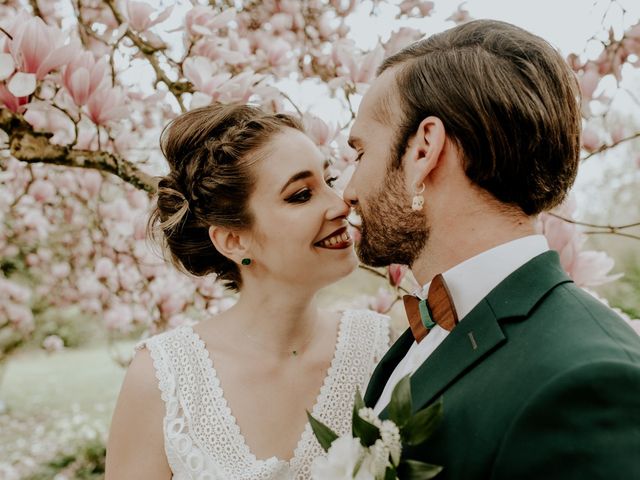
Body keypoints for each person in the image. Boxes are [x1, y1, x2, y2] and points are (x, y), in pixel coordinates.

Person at [344, 19, 640, 479]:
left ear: (423, 150)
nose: (348, 189)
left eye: (361, 153)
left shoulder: (587, 378)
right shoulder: (416, 338)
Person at [105, 103, 390, 479]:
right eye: (301, 194)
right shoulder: (164, 380)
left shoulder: (382, 348)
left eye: (330, 181)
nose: (339, 205)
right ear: (234, 240)